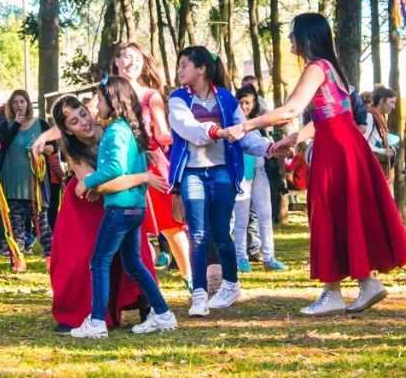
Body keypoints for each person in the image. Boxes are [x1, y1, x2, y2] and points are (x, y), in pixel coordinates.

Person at [255, 14, 406, 315]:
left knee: (329, 212)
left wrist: (244, 126)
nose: (289, 38)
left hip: (335, 149)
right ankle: (366, 283)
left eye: (294, 33)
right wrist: (293, 138)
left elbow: (290, 110)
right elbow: (326, 118)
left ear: (307, 37)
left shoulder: (316, 68)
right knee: (344, 212)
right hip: (344, 143)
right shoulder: (332, 68)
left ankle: (334, 292)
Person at [166, 47, 274, 318]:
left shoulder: (226, 98)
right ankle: (199, 294)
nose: (179, 70)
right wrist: (216, 131)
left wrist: (271, 147)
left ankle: (231, 284)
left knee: (221, 234)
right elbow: (187, 127)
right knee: (198, 235)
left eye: (184, 65)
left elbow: (244, 134)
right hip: (192, 173)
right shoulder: (178, 99)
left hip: (222, 172)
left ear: (201, 69)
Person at [70, 76, 177, 338]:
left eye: (100, 100)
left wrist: (87, 182)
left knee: (99, 261)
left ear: (113, 101)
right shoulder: (129, 129)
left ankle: (97, 321)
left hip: (120, 209)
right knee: (133, 264)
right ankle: (163, 314)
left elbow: (115, 168)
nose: (97, 106)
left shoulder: (116, 131)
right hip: (135, 208)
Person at [49, 95, 159, 332]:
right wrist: (96, 183)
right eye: (74, 122)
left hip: (121, 198)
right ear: (67, 130)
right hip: (85, 209)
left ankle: (148, 305)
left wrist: (139, 163)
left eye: (83, 114)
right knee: (82, 257)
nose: (83, 122)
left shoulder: (112, 130)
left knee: (135, 251)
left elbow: (112, 172)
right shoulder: (73, 151)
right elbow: (97, 186)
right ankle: (82, 312)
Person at [112, 42, 192, 288]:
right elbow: (87, 119)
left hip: (152, 164)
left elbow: (163, 134)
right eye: (127, 57)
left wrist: (191, 131)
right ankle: (138, 284)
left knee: (171, 227)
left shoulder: (151, 96)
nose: (132, 63)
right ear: (116, 61)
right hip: (120, 167)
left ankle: (191, 279)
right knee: (128, 229)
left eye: (137, 59)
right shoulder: (107, 92)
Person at [0, 89, 53, 260]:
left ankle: (51, 256)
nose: (19, 105)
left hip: (36, 182)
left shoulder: (41, 124)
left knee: (41, 222)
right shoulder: (5, 125)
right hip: (12, 181)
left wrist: (40, 149)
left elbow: (53, 148)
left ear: (28, 104)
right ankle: (17, 258)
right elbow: (2, 145)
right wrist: (16, 125)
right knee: (15, 223)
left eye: (22, 101)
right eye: (15, 102)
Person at [234, 86, 285, 272]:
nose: (244, 106)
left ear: (254, 104)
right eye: (240, 102)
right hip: (242, 176)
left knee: (265, 216)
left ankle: (269, 257)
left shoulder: (259, 125)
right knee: (241, 219)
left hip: (260, 173)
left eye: (247, 103)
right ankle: (241, 257)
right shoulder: (234, 126)